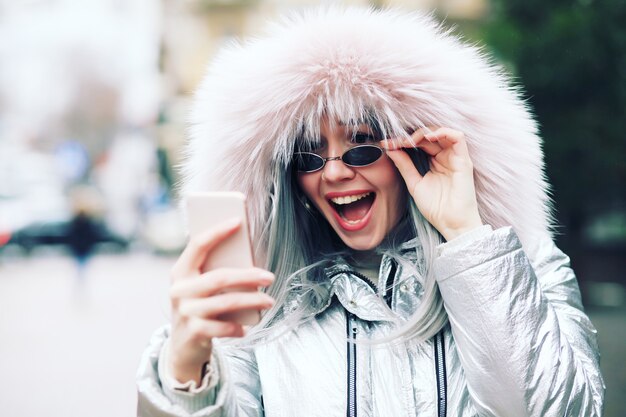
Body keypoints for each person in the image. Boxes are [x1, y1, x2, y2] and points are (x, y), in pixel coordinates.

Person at [137, 7, 604, 417]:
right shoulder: (260, 308)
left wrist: (466, 235)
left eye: (362, 144)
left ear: (416, 151)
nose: (334, 173)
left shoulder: (525, 268)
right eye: (308, 154)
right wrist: (185, 368)